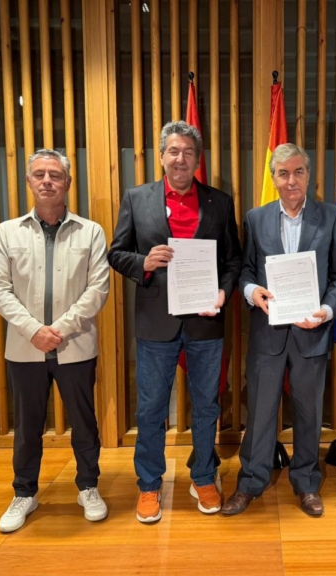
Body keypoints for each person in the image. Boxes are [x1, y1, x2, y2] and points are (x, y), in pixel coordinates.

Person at [107, 120, 242, 523]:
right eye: (173, 151)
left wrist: (224, 292)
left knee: (206, 406)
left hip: (205, 321)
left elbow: (233, 260)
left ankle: (203, 475)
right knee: (151, 408)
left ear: (197, 159)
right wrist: (143, 262)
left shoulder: (220, 202)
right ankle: (149, 484)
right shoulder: (137, 198)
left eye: (188, 152)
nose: (180, 158)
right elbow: (116, 252)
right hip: (156, 323)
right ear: (162, 156)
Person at [221, 143, 336, 518]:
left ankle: (306, 483)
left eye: (298, 172)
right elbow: (247, 270)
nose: (291, 180)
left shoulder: (332, 217)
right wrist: (252, 291)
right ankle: (250, 482)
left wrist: (326, 311)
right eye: (283, 173)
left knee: (309, 414)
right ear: (274, 178)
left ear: (308, 176)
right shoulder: (255, 218)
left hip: (312, 331)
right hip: (268, 332)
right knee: (261, 412)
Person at [0, 148, 111, 533]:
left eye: (55, 175)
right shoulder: (8, 232)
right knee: (27, 425)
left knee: (84, 422)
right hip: (24, 348)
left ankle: (88, 487)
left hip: (76, 345)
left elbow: (98, 289)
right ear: (29, 181)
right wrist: (33, 330)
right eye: (39, 174)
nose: (47, 181)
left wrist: (58, 328)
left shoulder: (90, 232)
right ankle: (24, 492)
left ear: (68, 183)